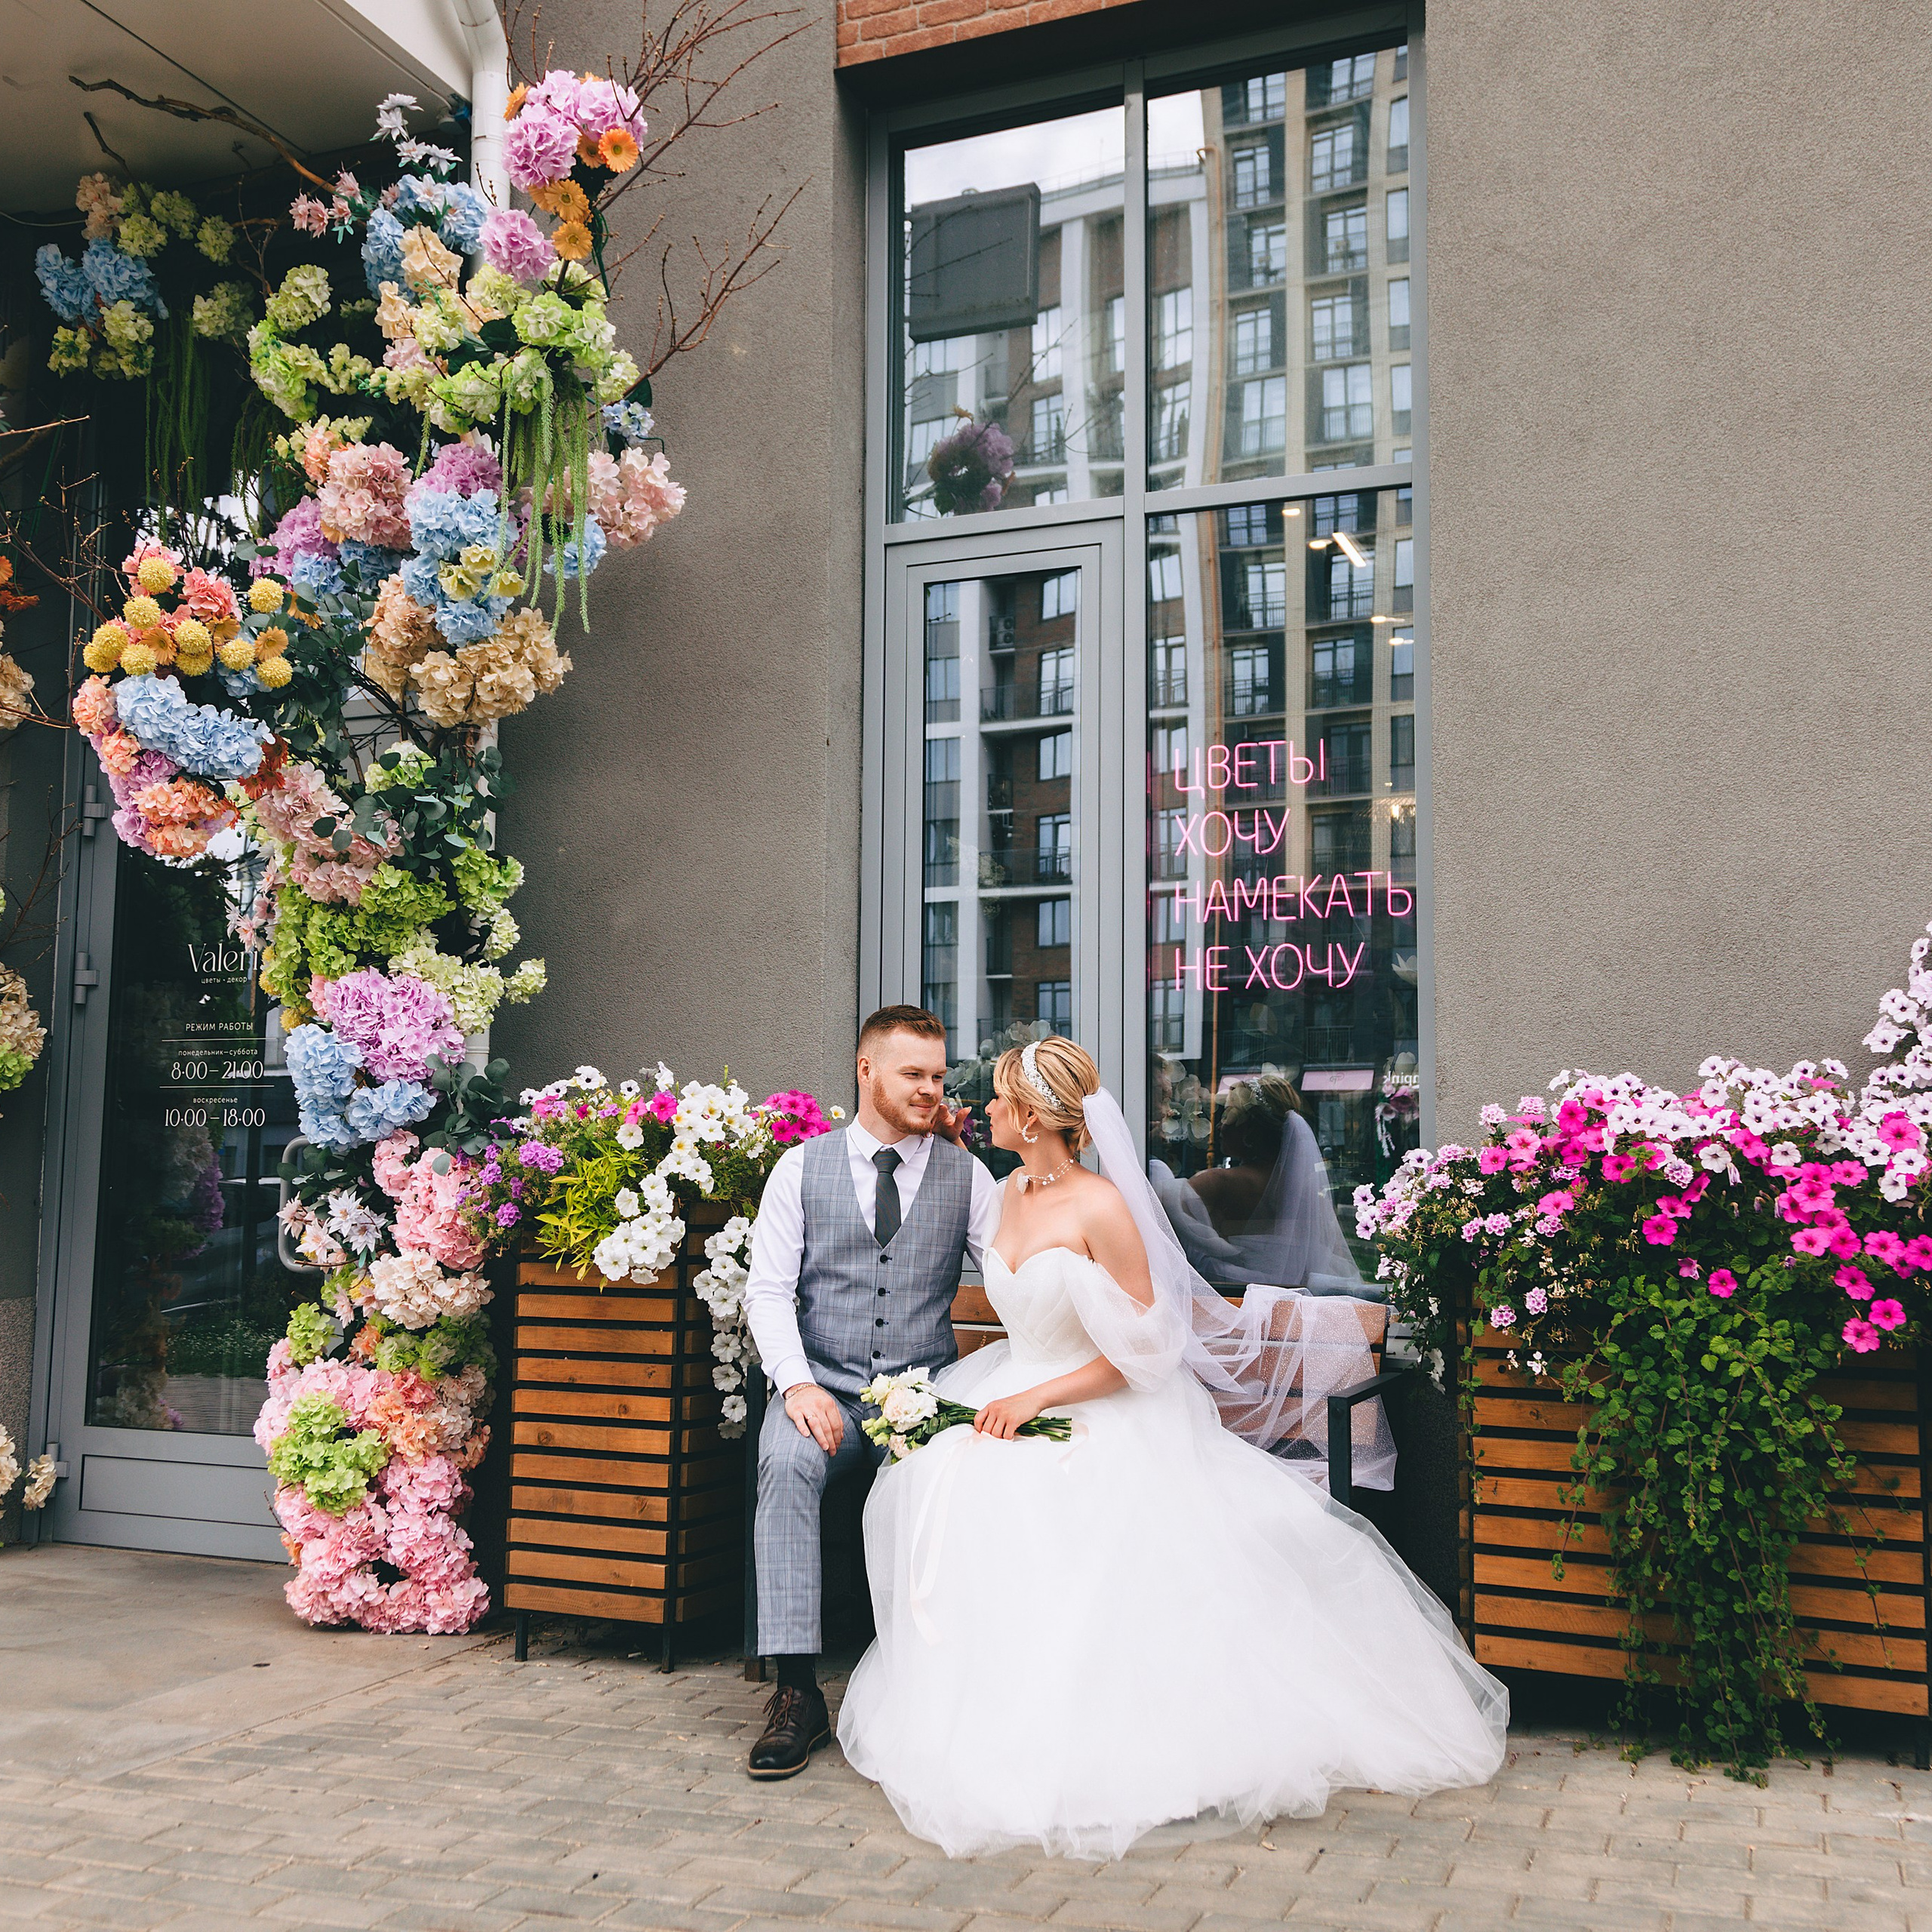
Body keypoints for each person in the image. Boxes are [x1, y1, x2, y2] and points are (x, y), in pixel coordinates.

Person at [834, 1035, 1508, 1860]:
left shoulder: (1104, 1208)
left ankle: (1094, 1735)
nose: (987, 1111)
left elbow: (1147, 1348)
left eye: (1002, 1100)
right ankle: (988, 1713)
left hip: (1095, 1402)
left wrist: (1038, 1395)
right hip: (1012, 1381)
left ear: (1038, 1116)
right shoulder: (1005, 1190)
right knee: (941, 1481)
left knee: (1042, 1500)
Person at [740, 1004, 1001, 1780]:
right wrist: (795, 1385)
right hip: (821, 1390)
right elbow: (766, 1291)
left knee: (963, 1473)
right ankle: (795, 1692)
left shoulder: (967, 1175)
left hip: (925, 1401)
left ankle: (940, 1680)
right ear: (866, 1071)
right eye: (913, 1074)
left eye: (937, 1075)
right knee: (785, 1467)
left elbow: (1015, 1277)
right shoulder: (801, 1168)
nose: (931, 1090)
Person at [1150, 1074, 1371, 1297]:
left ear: (1250, 1131)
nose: (1220, 1125)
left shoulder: (1218, 1183)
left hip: (1232, 1302)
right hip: (1288, 1306)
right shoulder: (1304, 1193)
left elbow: (1158, 1207)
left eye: (1228, 1115)